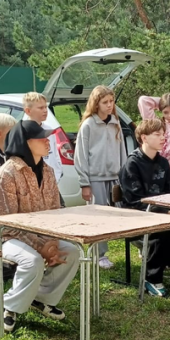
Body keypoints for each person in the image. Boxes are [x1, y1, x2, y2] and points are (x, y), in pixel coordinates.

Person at [0, 120, 80, 333]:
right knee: (32, 260)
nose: (47, 141)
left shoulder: (48, 172)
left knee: (72, 252)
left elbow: (54, 212)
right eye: (41, 138)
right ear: (25, 143)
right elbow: (5, 223)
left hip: (39, 235)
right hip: (4, 236)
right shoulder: (6, 175)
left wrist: (52, 243)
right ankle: (8, 307)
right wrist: (42, 247)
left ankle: (40, 298)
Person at [118, 118, 170, 297]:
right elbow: (136, 201)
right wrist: (169, 212)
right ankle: (152, 278)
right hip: (137, 217)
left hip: (164, 213)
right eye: (157, 134)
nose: (163, 138)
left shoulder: (163, 163)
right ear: (144, 137)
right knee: (164, 229)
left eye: (163, 134)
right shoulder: (132, 164)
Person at [74, 86, 127, 270]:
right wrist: (84, 183)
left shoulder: (115, 123)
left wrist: (123, 175)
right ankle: (99, 254)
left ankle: (139, 245)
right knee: (98, 217)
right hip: (95, 178)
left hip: (114, 178)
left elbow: (122, 151)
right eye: (105, 102)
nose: (109, 105)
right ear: (96, 104)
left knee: (121, 214)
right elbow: (80, 155)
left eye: (111, 101)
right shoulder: (88, 125)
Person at [23, 92, 64, 188]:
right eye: (41, 108)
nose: (45, 110)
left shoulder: (49, 129)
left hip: (51, 183)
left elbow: (55, 155)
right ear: (28, 111)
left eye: (46, 107)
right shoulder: (23, 132)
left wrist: (57, 174)